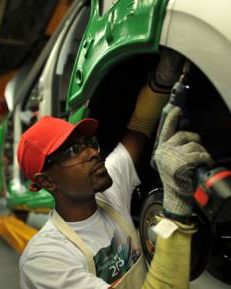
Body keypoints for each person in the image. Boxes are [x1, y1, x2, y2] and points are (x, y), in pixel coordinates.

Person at [17, 50, 213, 289]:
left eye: (89, 144)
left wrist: (162, 78)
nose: (92, 153)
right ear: (46, 181)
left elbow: (139, 126)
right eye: (73, 151)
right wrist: (176, 206)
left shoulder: (108, 194)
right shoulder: (46, 258)